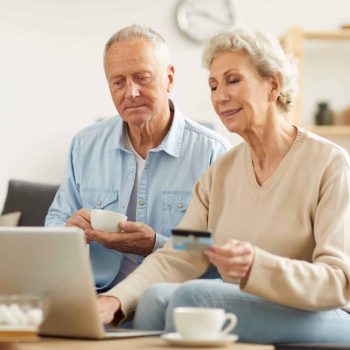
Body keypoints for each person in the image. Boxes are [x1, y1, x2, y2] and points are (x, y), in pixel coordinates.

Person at [96, 28, 350, 344]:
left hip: (325, 313)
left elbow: (338, 281)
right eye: (213, 86)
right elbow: (181, 254)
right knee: (154, 299)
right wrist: (116, 300)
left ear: (273, 85)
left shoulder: (329, 163)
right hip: (248, 304)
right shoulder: (220, 175)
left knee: (194, 298)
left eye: (233, 80)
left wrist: (258, 265)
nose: (220, 96)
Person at [45, 25, 231, 293]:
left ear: (170, 78)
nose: (130, 93)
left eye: (142, 78)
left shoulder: (214, 153)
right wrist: (68, 231)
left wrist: (156, 244)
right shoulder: (85, 145)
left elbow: (220, 248)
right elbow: (54, 224)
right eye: (118, 82)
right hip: (97, 295)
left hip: (171, 298)